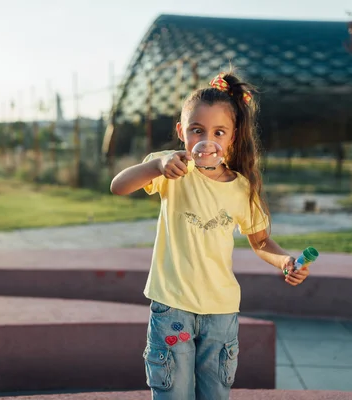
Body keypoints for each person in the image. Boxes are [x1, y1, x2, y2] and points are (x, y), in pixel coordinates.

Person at [110, 70, 310, 400]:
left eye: (219, 131)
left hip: (221, 312)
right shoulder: (169, 168)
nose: (208, 139)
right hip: (172, 308)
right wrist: (156, 167)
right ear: (181, 132)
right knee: (173, 393)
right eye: (197, 130)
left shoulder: (242, 188)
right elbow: (118, 187)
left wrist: (286, 261)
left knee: (215, 394)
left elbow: (260, 241)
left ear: (232, 137)